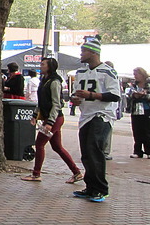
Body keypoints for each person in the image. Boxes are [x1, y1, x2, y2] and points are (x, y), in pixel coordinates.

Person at [71, 35, 120, 203]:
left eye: (84, 51)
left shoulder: (107, 71)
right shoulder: (80, 72)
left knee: (94, 149)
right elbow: (77, 92)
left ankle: (101, 188)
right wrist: (76, 99)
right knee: (86, 152)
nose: (81, 54)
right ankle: (90, 186)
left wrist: (92, 95)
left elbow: (114, 95)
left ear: (93, 52)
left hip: (101, 115)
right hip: (85, 115)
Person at [21, 58, 82, 183]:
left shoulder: (54, 82)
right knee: (57, 147)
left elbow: (56, 103)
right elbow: (41, 100)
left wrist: (50, 122)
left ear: (50, 67)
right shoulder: (45, 80)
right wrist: (35, 115)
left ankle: (36, 173)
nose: (40, 66)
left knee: (39, 144)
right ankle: (76, 172)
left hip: (54, 118)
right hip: (51, 118)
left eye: (43, 64)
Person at [128, 66, 150, 158]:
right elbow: (128, 94)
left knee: (147, 131)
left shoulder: (148, 83)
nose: (135, 76)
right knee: (136, 131)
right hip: (135, 110)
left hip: (147, 110)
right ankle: (137, 151)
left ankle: (148, 151)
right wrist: (134, 95)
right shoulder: (133, 84)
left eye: (136, 74)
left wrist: (143, 96)